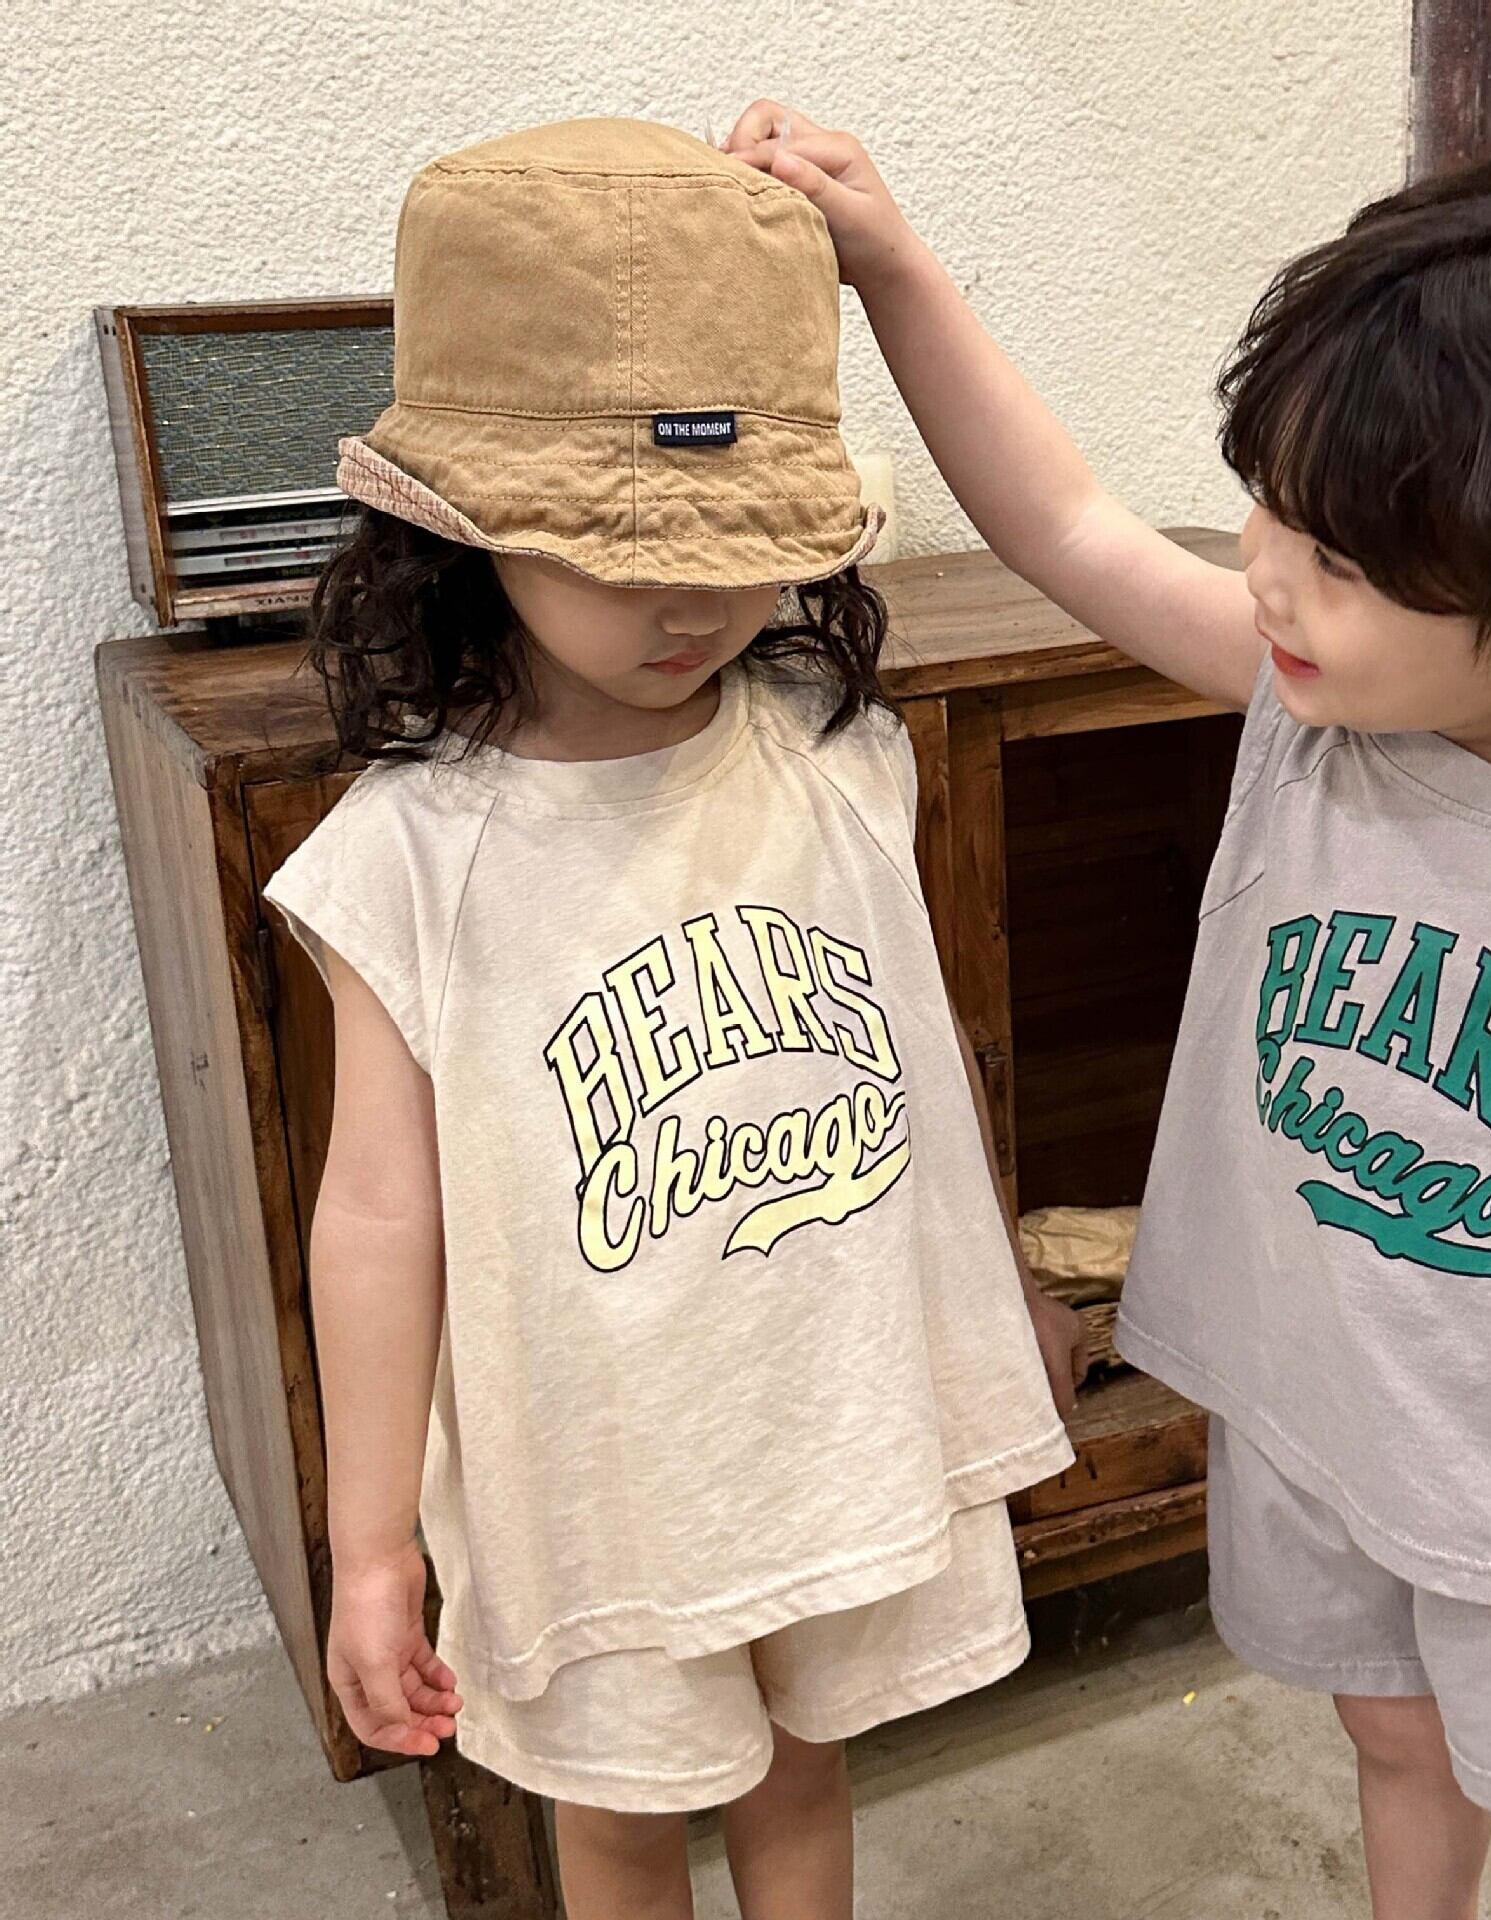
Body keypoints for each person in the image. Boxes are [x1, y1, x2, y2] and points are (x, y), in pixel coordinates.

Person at [725, 103, 1491, 1919]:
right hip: (1320, 1406)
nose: (1269, 573)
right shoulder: (1305, 713)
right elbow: (1066, 524)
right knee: (1392, 1739)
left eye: (1341, 560)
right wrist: (895, 270)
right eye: (1275, 503)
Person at [263, 116, 1082, 1920]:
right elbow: (378, 1208)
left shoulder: (839, 760)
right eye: (617, 550)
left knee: (805, 1760)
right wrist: (370, 1541)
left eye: (742, 543)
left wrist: (998, 1292)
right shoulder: (412, 855)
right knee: (621, 1808)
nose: (692, 599)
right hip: (595, 1470)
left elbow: (916, 1052)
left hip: (826, 1414)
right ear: (457, 532)